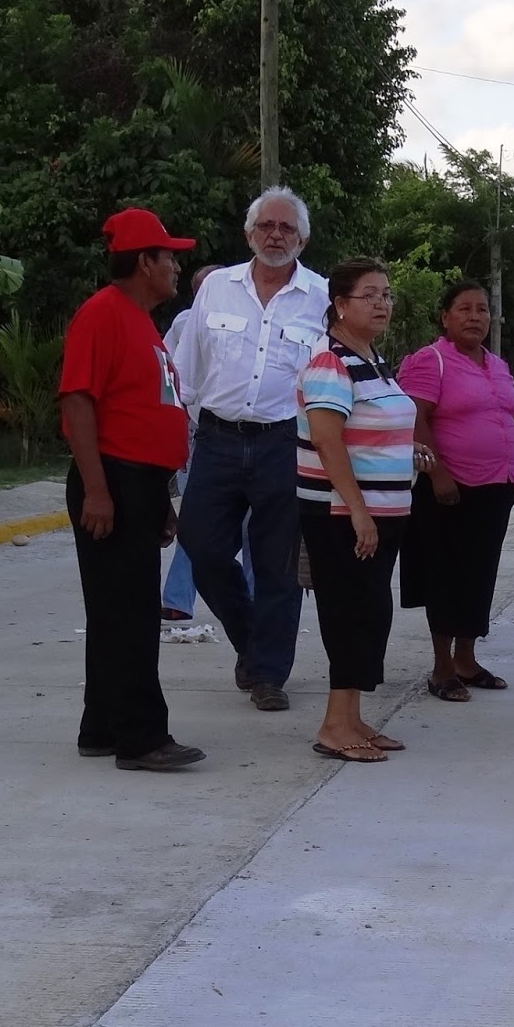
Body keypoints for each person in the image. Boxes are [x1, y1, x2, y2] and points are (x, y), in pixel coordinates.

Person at [58, 208, 205, 771]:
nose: (175, 265)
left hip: (138, 482)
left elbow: (147, 411)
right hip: (113, 479)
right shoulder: (103, 314)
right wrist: (99, 489)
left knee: (118, 611)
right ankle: (142, 738)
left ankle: (101, 727)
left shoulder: (140, 320)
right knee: (132, 614)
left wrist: (161, 496)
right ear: (144, 262)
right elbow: (78, 400)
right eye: (168, 256)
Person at [174, 187, 328, 712]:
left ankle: (268, 675)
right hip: (216, 438)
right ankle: (251, 642)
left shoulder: (323, 298)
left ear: (303, 238)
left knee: (277, 564)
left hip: (286, 442)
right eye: (267, 226)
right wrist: (185, 432)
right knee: (202, 546)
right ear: (249, 234)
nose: (276, 235)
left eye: (286, 228)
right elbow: (187, 368)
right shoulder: (216, 287)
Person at [296, 258, 435, 762]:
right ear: (339, 305)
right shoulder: (330, 361)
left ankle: (353, 717)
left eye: (386, 294)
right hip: (342, 518)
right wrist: (358, 511)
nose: (382, 304)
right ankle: (335, 725)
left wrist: (406, 451)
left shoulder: (371, 357)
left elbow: (370, 426)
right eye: (369, 295)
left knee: (370, 612)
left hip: (383, 511)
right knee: (350, 613)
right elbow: (327, 440)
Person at [398, 280, 514, 702]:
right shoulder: (431, 360)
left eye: (482, 309)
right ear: (445, 317)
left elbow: (511, 417)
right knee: (445, 574)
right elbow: (414, 419)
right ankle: (442, 668)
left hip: (497, 485)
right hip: (449, 488)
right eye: (464, 309)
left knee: (480, 574)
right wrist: (438, 474)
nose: (475, 316)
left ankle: (467, 660)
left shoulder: (497, 364)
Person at [158, 264, 256, 622]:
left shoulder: (247, 316)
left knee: (251, 526)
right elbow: (170, 375)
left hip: (249, 436)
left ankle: (249, 602)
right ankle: (179, 597)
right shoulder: (186, 322)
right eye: (200, 288)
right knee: (201, 525)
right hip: (201, 433)